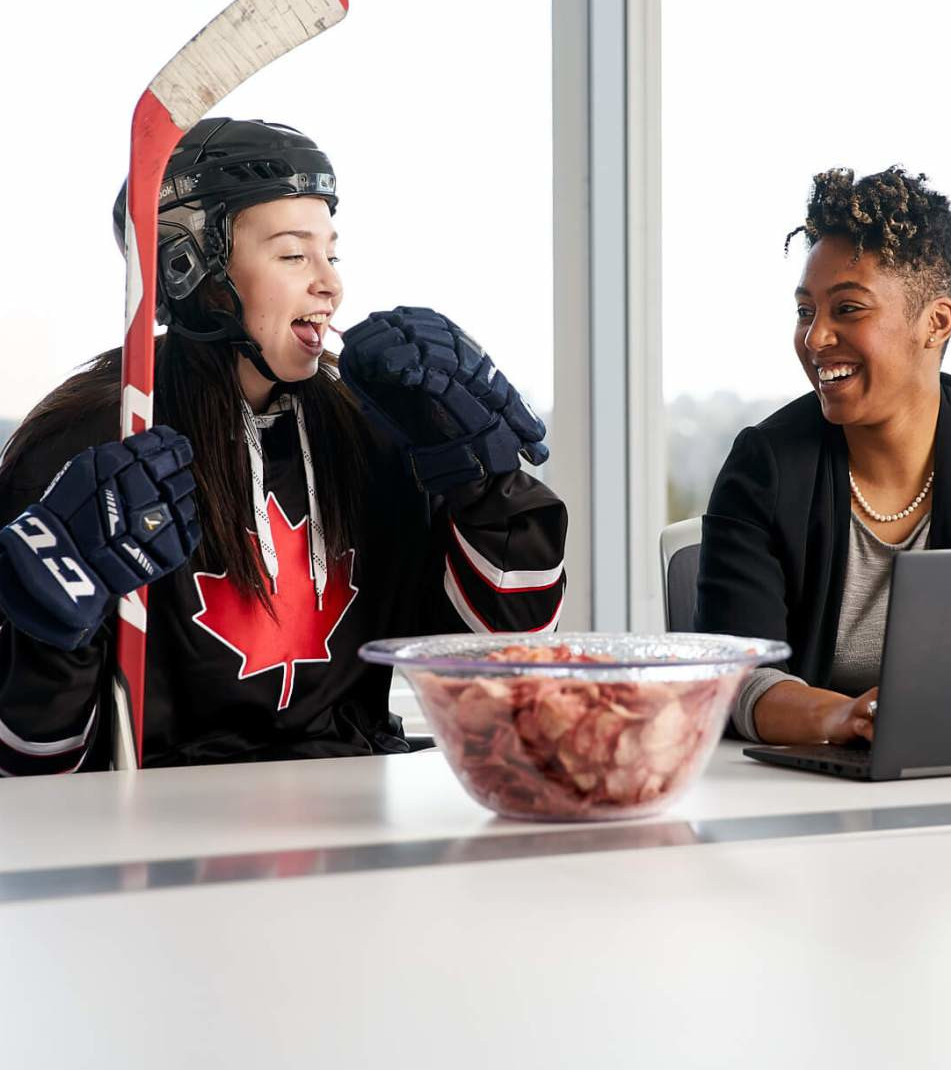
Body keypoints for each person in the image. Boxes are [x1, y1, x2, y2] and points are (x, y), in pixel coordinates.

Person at [0, 118, 566, 773]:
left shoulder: (369, 432)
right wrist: (49, 633)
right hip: (152, 842)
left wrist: (480, 485)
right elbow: (28, 773)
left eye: (332, 253)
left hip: (351, 829)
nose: (330, 284)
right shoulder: (85, 451)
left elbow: (504, 681)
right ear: (187, 267)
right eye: (294, 254)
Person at [696, 166, 951, 746]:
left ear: (935, 322)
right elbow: (736, 676)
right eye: (805, 310)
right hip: (818, 792)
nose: (814, 339)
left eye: (848, 309)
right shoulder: (764, 467)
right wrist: (844, 719)